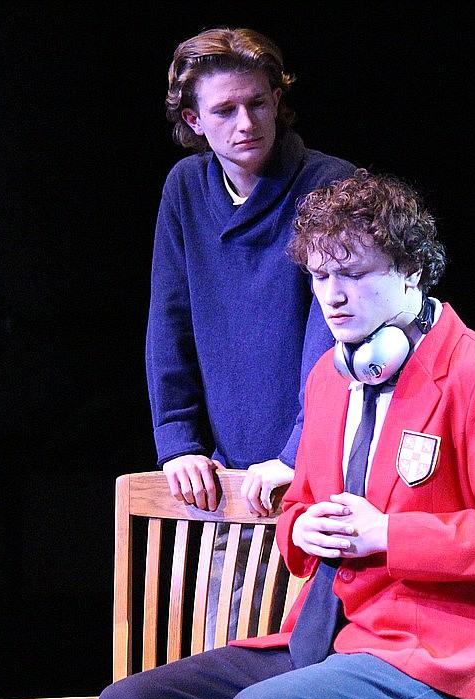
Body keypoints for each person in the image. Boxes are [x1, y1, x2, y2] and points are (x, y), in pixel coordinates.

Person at [98, 169, 475, 699]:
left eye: (354, 275)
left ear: (412, 272)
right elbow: (298, 514)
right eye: (319, 277)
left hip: (433, 668)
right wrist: (305, 528)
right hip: (326, 645)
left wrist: (388, 535)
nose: (332, 296)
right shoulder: (330, 379)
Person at [146, 27, 356, 516]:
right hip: (228, 471)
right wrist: (178, 442)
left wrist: (299, 452)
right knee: (227, 595)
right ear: (193, 120)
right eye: (224, 111)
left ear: (276, 99)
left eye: (258, 104)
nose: (247, 123)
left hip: (319, 465)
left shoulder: (329, 185)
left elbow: (335, 330)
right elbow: (169, 319)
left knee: (313, 592)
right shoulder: (185, 188)